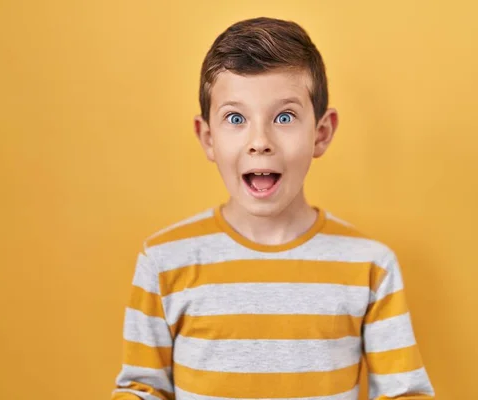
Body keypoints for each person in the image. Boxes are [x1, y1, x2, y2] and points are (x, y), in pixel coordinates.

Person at [111, 16, 435, 400]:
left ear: (322, 132)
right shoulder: (163, 262)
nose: (259, 141)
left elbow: (405, 392)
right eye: (236, 118)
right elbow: (143, 388)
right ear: (208, 138)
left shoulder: (371, 267)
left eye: (284, 117)